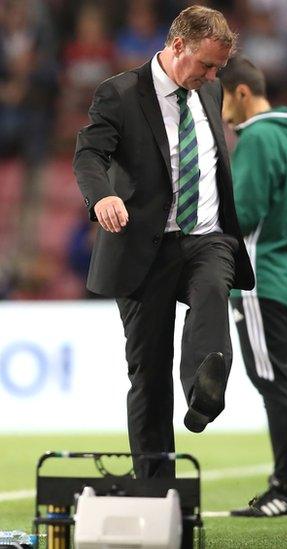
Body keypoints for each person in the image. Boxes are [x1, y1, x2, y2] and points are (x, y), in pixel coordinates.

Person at [73, 6, 254, 478]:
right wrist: (102, 196)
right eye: (208, 65)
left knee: (214, 286)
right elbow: (90, 153)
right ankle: (156, 488)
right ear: (178, 46)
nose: (215, 76)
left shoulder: (208, 88)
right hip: (143, 246)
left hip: (205, 234)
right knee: (149, 374)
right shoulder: (120, 93)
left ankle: (204, 387)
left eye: (219, 67)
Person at [220, 56, 287, 517]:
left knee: (273, 382)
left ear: (240, 92)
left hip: (256, 277)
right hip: (285, 272)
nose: (219, 111)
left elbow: (245, 210)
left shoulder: (258, 137)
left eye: (219, 97)